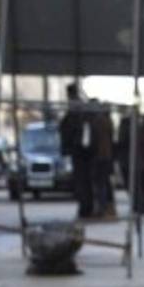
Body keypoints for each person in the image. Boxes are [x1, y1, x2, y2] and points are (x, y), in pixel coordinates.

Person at [58, 83, 94, 219]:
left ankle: (85, 208)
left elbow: (72, 127)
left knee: (83, 181)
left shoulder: (76, 108)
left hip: (80, 150)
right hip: (80, 149)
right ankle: (85, 207)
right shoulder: (78, 107)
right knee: (82, 181)